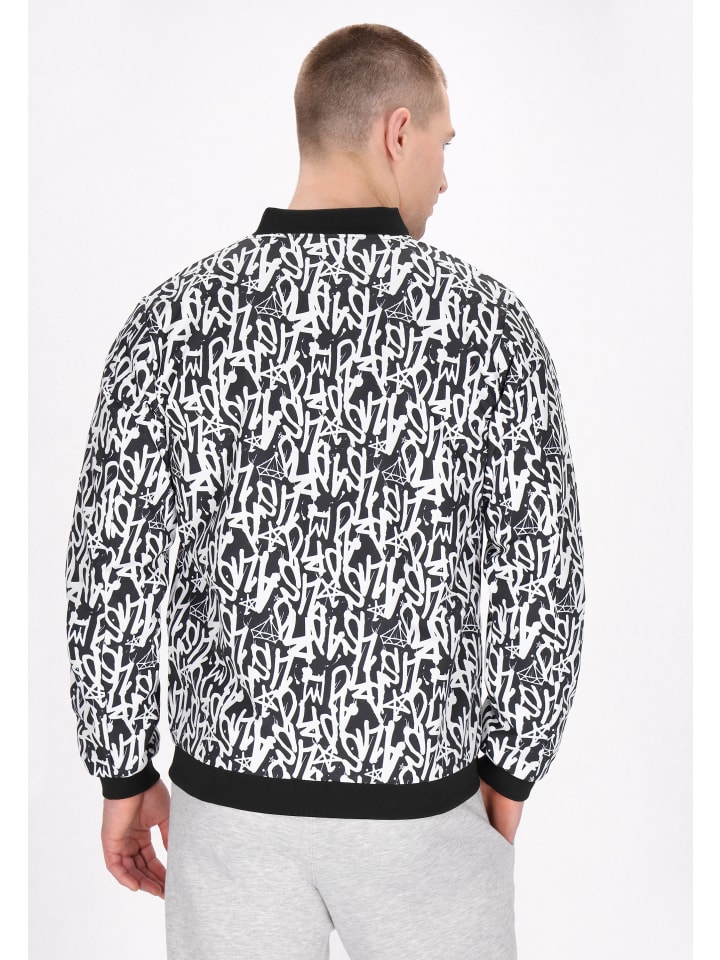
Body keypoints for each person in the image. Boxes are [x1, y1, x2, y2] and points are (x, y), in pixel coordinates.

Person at [64, 22, 585, 960]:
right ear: (397, 132)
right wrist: (511, 774)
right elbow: (541, 577)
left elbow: (112, 567)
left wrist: (122, 768)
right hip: (423, 805)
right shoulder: (486, 327)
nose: (444, 177)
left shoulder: (173, 322)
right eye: (443, 145)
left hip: (231, 809)